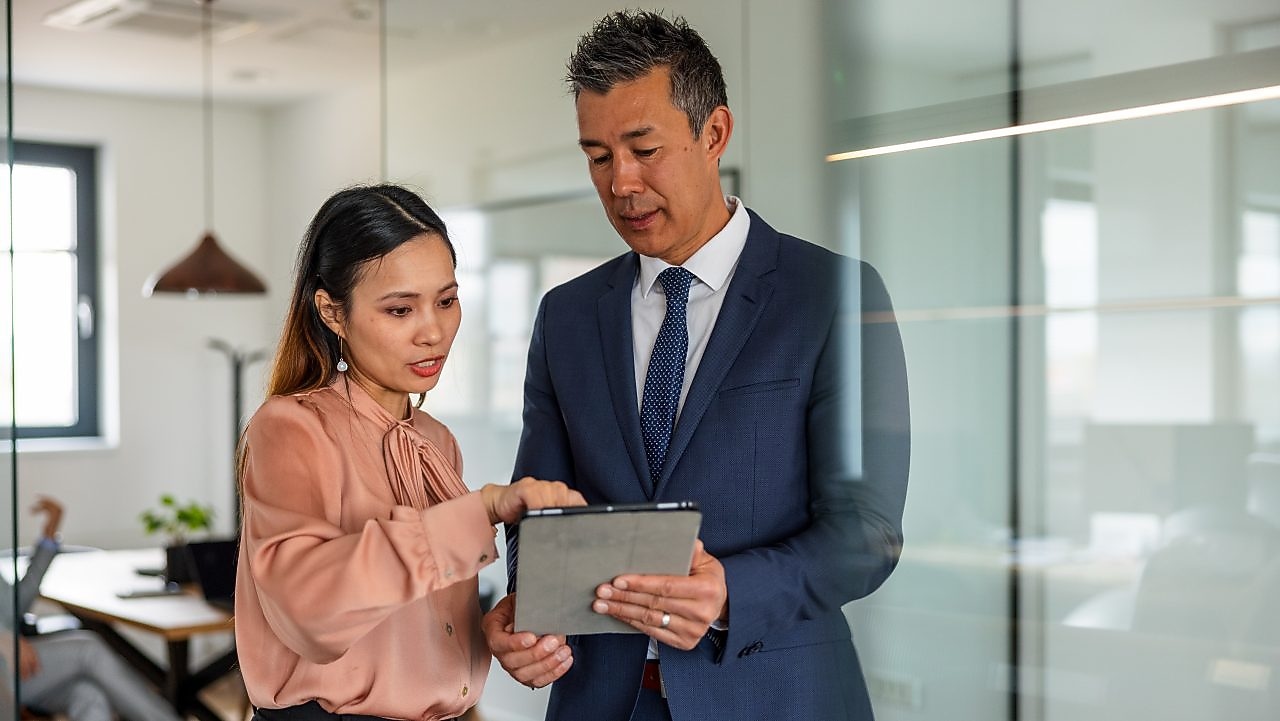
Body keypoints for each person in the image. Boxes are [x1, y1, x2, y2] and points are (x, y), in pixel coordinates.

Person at [482, 10, 910, 721]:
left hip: (778, 698)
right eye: (597, 155)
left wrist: (730, 589)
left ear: (714, 134)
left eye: (643, 149)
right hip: (602, 702)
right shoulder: (567, 315)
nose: (621, 182)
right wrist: (530, 609)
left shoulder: (831, 296)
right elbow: (539, 514)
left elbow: (868, 531)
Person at [235, 184, 585, 721]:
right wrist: (484, 507)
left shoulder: (437, 441)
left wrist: (494, 633)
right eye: (400, 310)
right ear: (331, 312)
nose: (434, 332)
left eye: (446, 300)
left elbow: (416, 633)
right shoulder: (290, 427)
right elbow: (310, 613)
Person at [0, 496, 183, 721]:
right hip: (6, 669)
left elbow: (14, 605)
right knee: (89, 648)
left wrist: (49, 535)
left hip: (17, 671)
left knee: (88, 696)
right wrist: (3, 638)